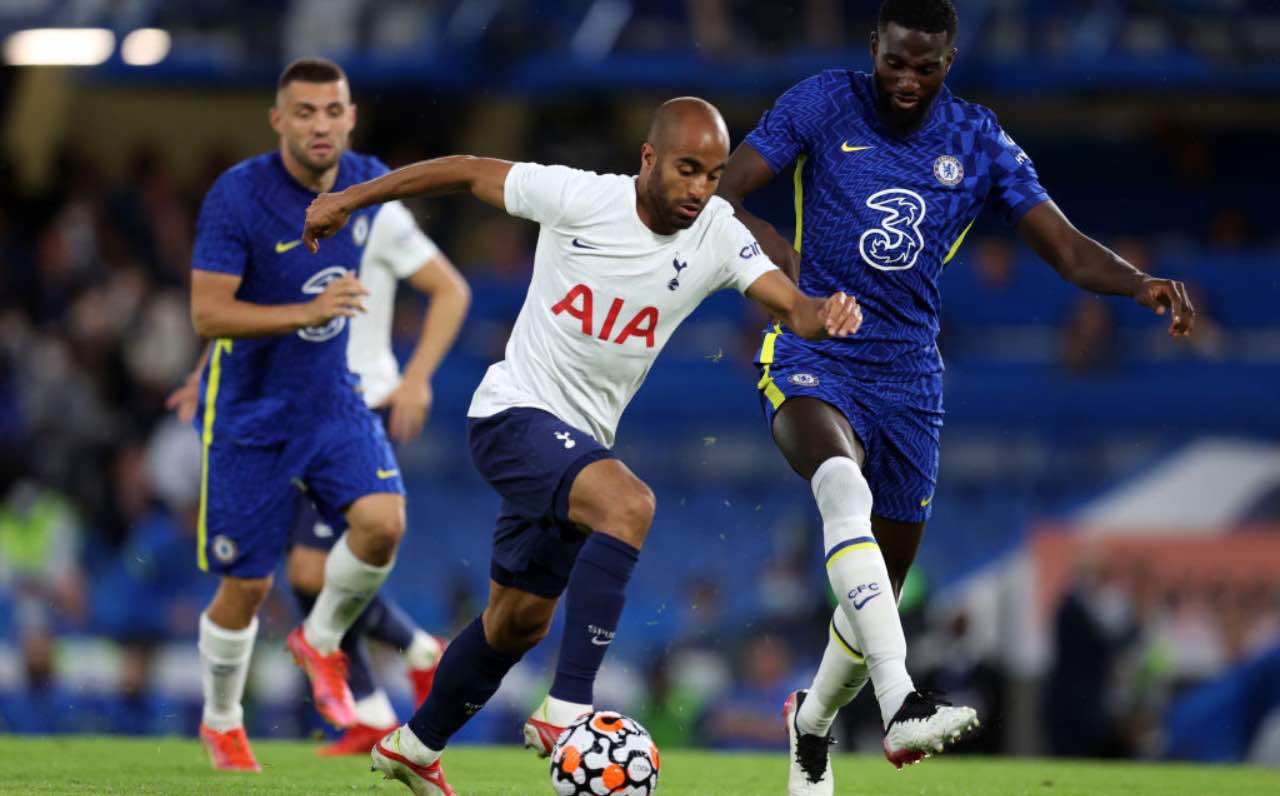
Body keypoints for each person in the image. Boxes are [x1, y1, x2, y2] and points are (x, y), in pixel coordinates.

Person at [303, 96, 862, 794]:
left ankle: (415, 745)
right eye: (687, 169)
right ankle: (568, 709)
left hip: (577, 447)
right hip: (513, 415)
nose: (700, 188)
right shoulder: (579, 197)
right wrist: (352, 198)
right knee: (629, 505)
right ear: (649, 159)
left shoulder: (717, 230)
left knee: (515, 624)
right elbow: (467, 169)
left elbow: (792, 305)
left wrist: (825, 313)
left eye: (714, 175)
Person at [715, 1, 1196, 792]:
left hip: (908, 378)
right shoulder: (820, 102)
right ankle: (903, 701)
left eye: (926, 66)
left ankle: (812, 725)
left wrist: (1138, 284)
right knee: (838, 483)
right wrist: (791, 278)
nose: (907, 80)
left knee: (877, 590)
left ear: (950, 60)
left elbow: (1067, 250)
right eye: (895, 61)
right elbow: (727, 195)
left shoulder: (977, 141)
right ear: (874, 47)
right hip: (814, 350)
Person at [168, 63, 468, 753]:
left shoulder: (370, 184)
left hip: (337, 399)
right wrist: (304, 312)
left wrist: (417, 377)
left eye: (332, 110)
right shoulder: (238, 196)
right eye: (304, 112)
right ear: (279, 120)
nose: (320, 124)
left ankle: (325, 640)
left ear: (351, 116)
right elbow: (209, 311)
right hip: (250, 414)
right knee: (248, 586)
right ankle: (222, 722)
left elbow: (448, 279)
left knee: (383, 523)